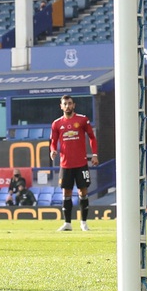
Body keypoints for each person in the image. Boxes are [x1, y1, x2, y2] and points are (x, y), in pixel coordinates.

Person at [50, 94, 99, 231]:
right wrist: (53, 150)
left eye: (69, 103)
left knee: (83, 191)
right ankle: (67, 223)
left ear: (74, 105)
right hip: (65, 165)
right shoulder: (57, 123)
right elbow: (53, 142)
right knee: (66, 193)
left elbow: (92, 137)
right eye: (65, 104)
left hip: (81, 163)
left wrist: (94, 155)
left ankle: (83, 223)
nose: (67, 106)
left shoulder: (82, 120)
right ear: (61, 106)